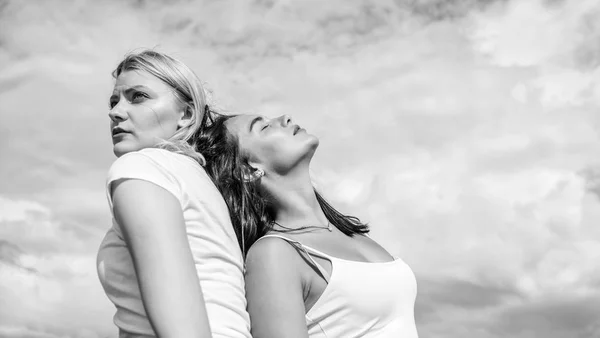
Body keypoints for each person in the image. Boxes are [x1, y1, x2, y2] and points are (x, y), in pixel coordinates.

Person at [196, 112, 419, 337]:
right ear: (248, 170)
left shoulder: (345, 232)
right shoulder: (276, 254)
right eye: (263, 128)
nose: (284, 118)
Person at [96, 50, 251, 338]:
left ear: (187, 114)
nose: (115, 111)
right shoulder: (201, 182)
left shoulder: (143, 167)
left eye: (138, 96)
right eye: (114, 100)